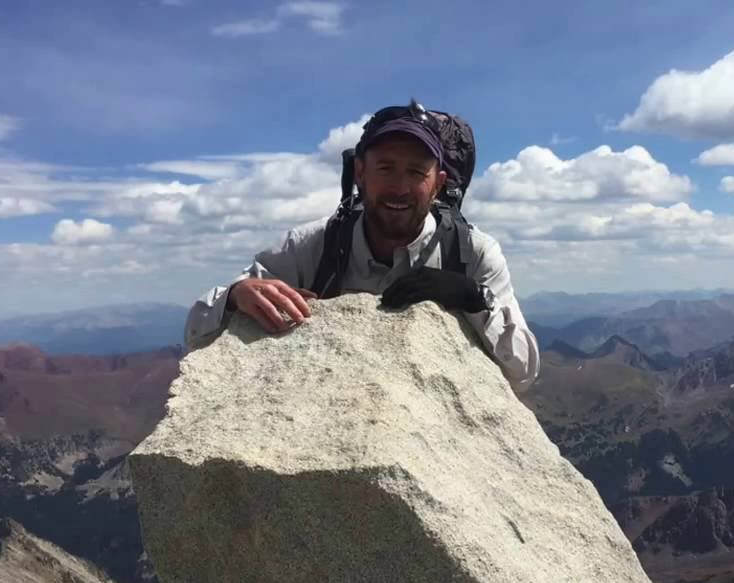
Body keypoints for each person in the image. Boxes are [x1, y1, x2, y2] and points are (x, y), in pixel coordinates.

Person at [183, 101, 539, 391]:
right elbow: (196, 331)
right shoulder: (314, 245)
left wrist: (473, 298)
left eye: (416, 172)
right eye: (385, 168)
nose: (399, 187)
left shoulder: (470, 253)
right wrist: (236, 296)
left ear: (438, 183)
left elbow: (523, 369)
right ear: (360, 174)